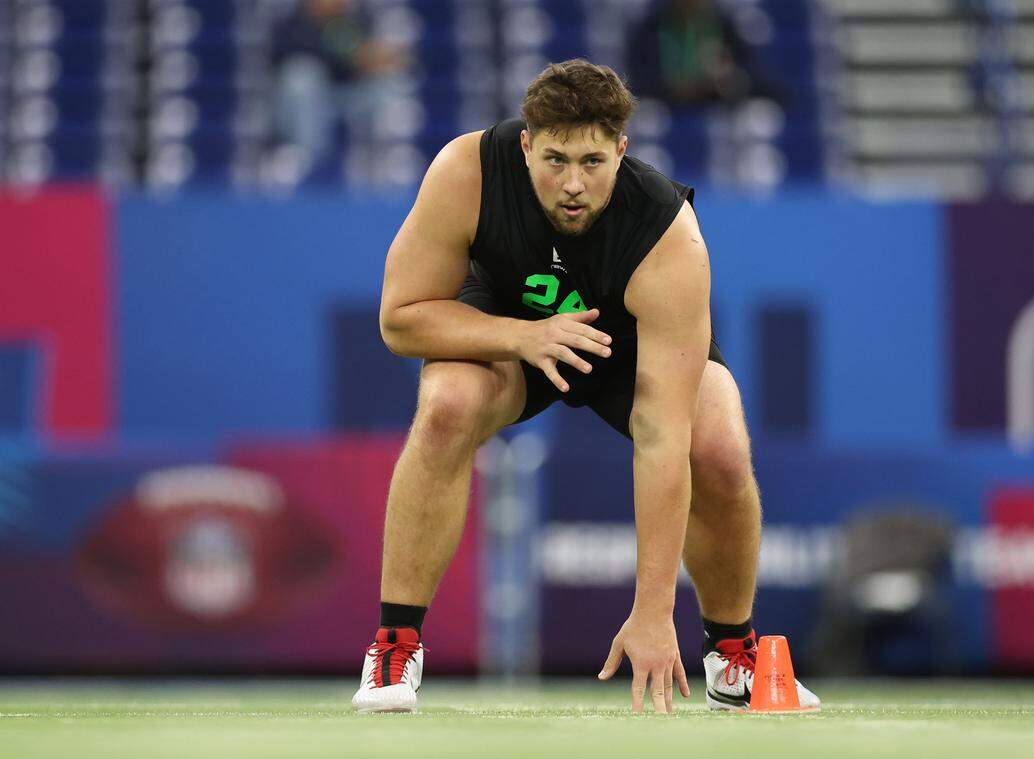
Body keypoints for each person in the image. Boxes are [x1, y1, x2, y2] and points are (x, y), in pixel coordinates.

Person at [351, 59, 820, 715]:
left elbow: (661, 435)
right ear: (525, 145)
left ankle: (733, 656)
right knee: (446, 407)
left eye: (593, 162)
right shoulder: (467, 172)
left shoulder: (666, 233)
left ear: (621, 149)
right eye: (555, 160)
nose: (573, 183)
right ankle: (394, 644)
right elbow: (400, 320)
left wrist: (654, 610)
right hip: (506, 329)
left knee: (717, 443)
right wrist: (520, 336)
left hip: (623, 348)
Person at [271, 0, 405, 168]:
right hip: (311, 102)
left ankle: (384, 161)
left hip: (348, 96)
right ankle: (310, 162)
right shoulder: (292, 23)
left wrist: (374, 59)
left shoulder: (356, 19)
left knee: (387, 83)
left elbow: (371, 57)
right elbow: (286, 57)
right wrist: (349, 56)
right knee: (301, 77)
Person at [627, 0, 780, 106]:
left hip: (715, 102)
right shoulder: (652, 28)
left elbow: (752, 75)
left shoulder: (723, 25)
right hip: (665, 104)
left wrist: (729, 77)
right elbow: (637, 77)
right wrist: (672, 86)